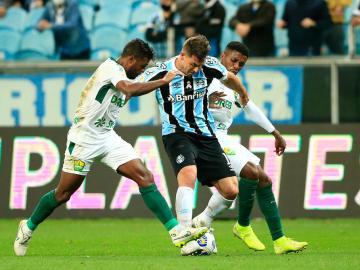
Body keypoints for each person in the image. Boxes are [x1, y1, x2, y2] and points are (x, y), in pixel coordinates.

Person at [13, 39, 208, 257]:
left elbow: (135, 85)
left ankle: (176, 231)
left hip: (106, 136)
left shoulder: (125, 74)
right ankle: (28, 226)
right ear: (131, 59)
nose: (141, 70)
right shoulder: (111, 69)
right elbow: (128, 89)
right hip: (84, 139)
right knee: (63, 193)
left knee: (145, 177)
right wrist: (164, 81)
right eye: (141, 66)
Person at [187, 41, 308, 255]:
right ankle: (242, 225)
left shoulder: (234, 88)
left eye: (241, 64)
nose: (236, 66)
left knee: (264, 179)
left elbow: (250, 108)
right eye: (234, 60)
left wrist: (275, 133)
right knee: (251, 173)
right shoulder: (207, 73)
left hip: (222, 138)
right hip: (205, 137)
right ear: (223, 56)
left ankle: (279, 240)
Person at [135, 35, 249, 256]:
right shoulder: (161, 70)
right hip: (176, 133)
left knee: (231, 189)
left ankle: (201, 222)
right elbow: (134, 86)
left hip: (205, 134)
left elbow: (229, 78)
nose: (196, 69)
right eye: (193, 64)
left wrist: (243, 92)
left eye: (200, 65)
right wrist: (160, 82)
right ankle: (185, 234)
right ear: (182, 55)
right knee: (188, 174)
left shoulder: (210, 65)